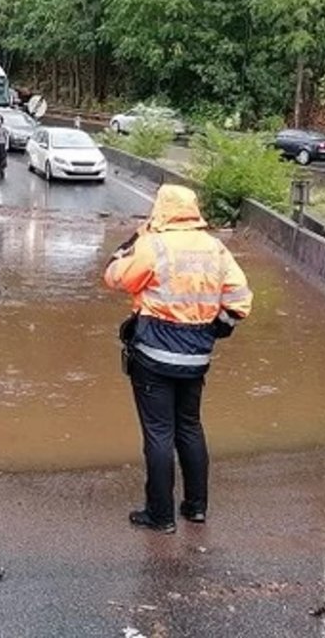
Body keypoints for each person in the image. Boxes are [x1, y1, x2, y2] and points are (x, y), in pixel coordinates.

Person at [103, 184, 253, 534]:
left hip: (153, 354)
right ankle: (196, 508)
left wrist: (133, 240)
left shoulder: (152, 245)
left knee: (158, 433)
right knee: (190, 427)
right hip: (197, 355)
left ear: (160, 210)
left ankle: (161, 515)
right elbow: (240, 300)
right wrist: (216, 329)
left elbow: (114, 278)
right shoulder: (215, 248)